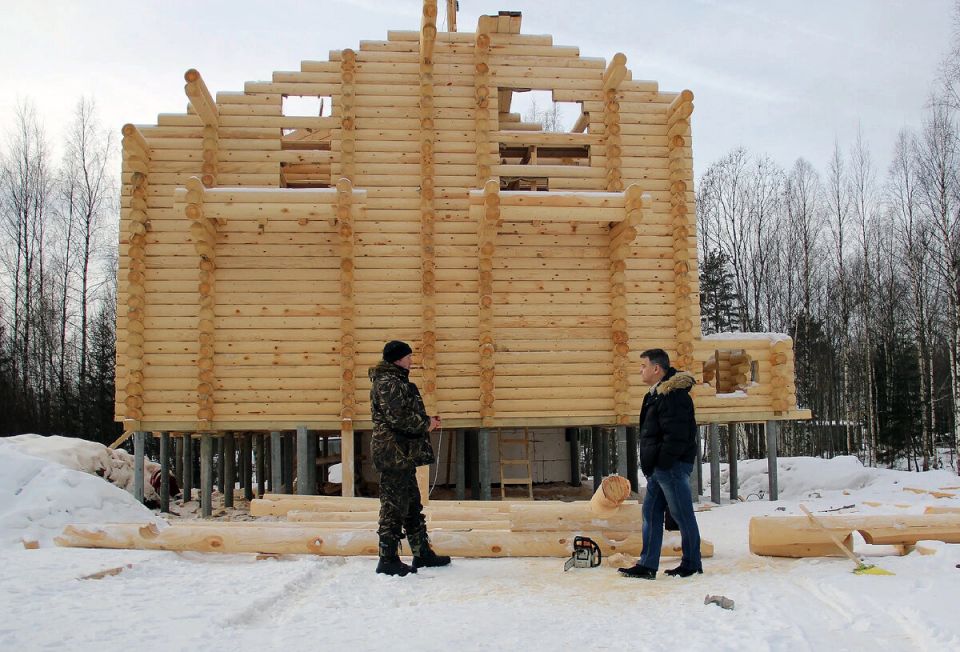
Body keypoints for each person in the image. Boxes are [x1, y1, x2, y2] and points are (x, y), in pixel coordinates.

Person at [619, 348, 702, 580]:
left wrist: (663, 463)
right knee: (651, 514)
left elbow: (677, 436)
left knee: (681, 514)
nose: (640, 370)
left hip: (671, 467)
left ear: (657, 369)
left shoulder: (674, 396)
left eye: (643, 366)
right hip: (660, 468)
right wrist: (654, 466)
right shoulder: (655, 395)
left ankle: (692, 563)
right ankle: (647, 565)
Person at [369, 340, 451, 576]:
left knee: (412, 504)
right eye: (408, 357)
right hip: (393, 454)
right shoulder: (387, 383)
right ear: (397, 359)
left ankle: (421, 553)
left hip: (403, 454)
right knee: (393, 507)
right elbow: (399, 418)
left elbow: (404, 413)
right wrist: (427, 424)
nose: (411, 361)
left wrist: (426, 420)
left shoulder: (396, 382)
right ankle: (388, 559)